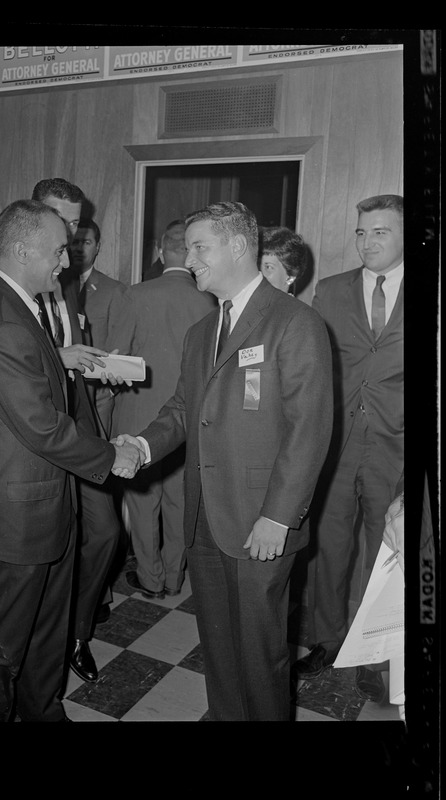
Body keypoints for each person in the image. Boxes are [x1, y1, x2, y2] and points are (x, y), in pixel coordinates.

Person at [116, 200, 333, 720]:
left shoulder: (294, 322)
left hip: (261, 520)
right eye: (188, 247)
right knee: (219, 646)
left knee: (260, 653)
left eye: (199, 246)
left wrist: (278, 517)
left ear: (238, 247)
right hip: (207, 519)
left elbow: (309, 430)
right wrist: (142, 446)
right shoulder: (201, 331)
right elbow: (183, 410)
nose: (188, 258)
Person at [0, 199, 140, 721]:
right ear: (20, 250)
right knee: (0, 647)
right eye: (58, 250)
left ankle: (43, 709)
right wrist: (111, 457)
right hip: (18, 517)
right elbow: (40, 425)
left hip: (43, 504)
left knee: (45, 631)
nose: (66, 261)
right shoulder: (1, 321)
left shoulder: (12, 301)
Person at [292, 195, 404, 703]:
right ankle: (326, 638)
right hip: (337, 444)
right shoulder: (331, 291)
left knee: (387, 552)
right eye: (361, 233)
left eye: (379, 232)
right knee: (329, 547)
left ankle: (376, 650)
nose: (367, 242)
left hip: (395, 446)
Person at [32, 179, 125, 684]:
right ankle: (46, 638)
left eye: (75, 221)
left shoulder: (64, 277)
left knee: (106, 531)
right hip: (32, 433)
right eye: (61, 219)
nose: (70, 232)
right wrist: (57, 357)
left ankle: (76, 634)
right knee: (49, 545)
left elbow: (65, 343)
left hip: (78, 422)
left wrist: (89, 364)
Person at [108, 219, 216, 598]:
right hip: (189, 418)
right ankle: (174, 575)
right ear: (188, 254)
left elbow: (116, 361)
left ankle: (150, 578)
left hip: (140, 417)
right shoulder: (211, 298)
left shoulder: (134, 294)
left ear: (158, 250)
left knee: (141, 503)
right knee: (180, 500)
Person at [69, 217, 128, 438]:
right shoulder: (51, 288)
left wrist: (109, 391)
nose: (79, 248)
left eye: (86, 242)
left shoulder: (114, 291)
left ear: (98, 247)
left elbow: (122, 344)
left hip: (97, 397)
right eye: (74, 242)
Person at [258, 226, 308, 294]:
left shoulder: (292, 305)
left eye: (268, 267)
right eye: (257, 265)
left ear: (290, 278)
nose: (259, 273)